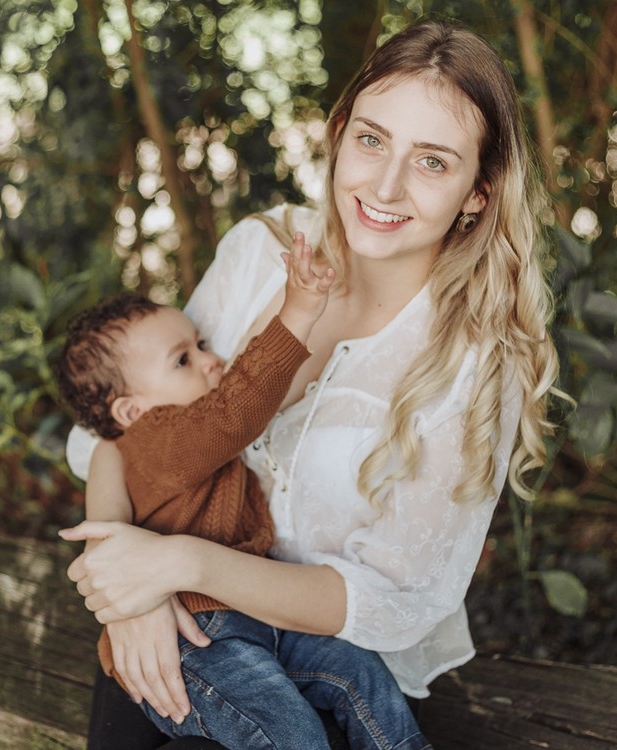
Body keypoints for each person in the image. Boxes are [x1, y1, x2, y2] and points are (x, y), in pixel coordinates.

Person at [60, 19, 561, 750]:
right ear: (338, 132)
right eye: (371, 140)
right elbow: (118, 436)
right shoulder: (262, 252)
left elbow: (396, 601)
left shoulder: (478, 362)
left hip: (327, 675)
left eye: (432, 162)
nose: (385, 186)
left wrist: (181, 562)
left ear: (478, 192)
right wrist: (126, 587)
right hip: (170, 644)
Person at [53, 237, 432, 749]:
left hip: (258, 622)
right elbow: (234, 413)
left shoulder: (148, 445)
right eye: (183, 360)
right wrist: (296, 312)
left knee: (359, 673)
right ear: (131, 412)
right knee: (290, 732)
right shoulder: (155, 438)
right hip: (198, 641)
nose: (212, 361)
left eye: (202, 344)